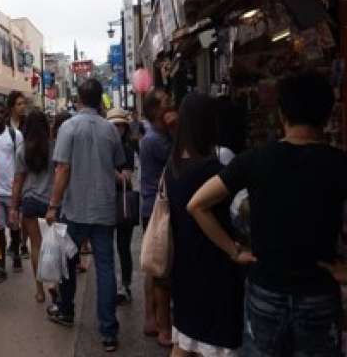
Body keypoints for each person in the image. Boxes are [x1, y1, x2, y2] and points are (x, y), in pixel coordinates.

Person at [189, 71, 347, 356]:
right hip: (319, 294)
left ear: (281, 113)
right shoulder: (339, 164)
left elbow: (197, 204)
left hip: (265, 291)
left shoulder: (256, 158)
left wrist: (233, 251)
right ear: (327, 113)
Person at [46, 79, 124, 353]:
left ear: (79, 98)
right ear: (100, 98)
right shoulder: (110, 130)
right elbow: (119, 166)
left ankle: (66, 311)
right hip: (104, 209)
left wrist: (53, 205)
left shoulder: (68, 127)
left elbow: (62, 170)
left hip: (74, 209)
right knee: (105, 268)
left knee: (68, 262)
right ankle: (108, 331)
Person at [164, 94, 243, 356]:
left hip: (184, 265)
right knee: (214, 344)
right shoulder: (212, 170)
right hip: (215, 266)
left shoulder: (174, 166)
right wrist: (233, 249)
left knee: (185, 340)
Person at [140, 88, 174, 346]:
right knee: (158, 266)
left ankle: (154, 318)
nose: (171, 106)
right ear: (154, 111)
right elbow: (181, 158)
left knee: (156, 264)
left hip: (156, 206)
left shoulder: (158, 136)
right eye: (165, 103)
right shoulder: (155, 139)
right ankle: (159, 322)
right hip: (156, 208)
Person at [10, 110, 55, 303]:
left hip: (29, 201)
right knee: (52, 246)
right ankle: (55, 285)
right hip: (50, 202)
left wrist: (13, 207)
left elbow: (18, 181)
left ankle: (39, 291)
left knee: (35, 246)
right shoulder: (54, 147)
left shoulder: (22, 149)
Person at [0, 101, 24, 283]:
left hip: (12, 191)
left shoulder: (15, 135)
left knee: (14, 227)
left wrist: (20, 188)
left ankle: (16, 252)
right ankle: (1, 266)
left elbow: (21, 164)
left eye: (2, 112)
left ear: (7, 115)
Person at [106, 108, 136, 304]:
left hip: (123, 201)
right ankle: (112, 285)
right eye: (114, 125)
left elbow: (126, 177)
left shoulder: (128, 148)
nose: (118, 129)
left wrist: (108, 169)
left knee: (123, 246)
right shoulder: (103, 147)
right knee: (106, 248)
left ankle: (125, 285)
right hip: (106, 201)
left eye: (121, 125)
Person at [7, 90, 30, 259]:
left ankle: (22, 243)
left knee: (23, 212)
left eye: (24, 104)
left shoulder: (27, 124)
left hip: (24, 171)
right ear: (12, 106)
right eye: (19, 104)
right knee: (11, 210)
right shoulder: (4, 124)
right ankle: (14, 241)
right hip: (7, 172)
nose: (22, 107)